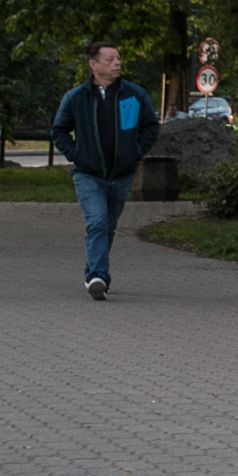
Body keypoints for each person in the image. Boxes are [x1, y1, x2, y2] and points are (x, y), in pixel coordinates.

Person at [50, 41, 158, 301]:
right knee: (97, 221)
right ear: (93, 64)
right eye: (109, 59)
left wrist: (135, 152)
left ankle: (96, 271)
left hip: (121, 174)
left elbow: (150, 126)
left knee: (108, 225)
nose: (117, 63)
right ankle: (97, 275)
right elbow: (59, 130)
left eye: (118, 58)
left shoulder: (133, 94)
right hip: (88, 174)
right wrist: (77, 155)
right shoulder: (77, 97)